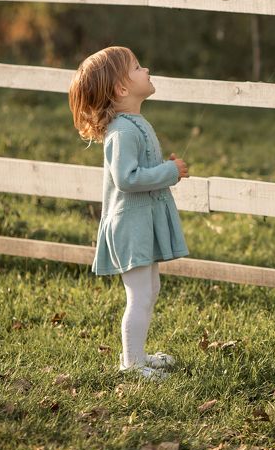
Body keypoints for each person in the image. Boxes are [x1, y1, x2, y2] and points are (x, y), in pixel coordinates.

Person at [69, 45, 189, 381]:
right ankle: (131, 364)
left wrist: (166, 169)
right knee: (138, 294)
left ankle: (138, 354)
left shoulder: (134, 123)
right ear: (122, 89)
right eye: (137, 67)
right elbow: (126, 179)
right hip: (129, 225)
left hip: (141, 223)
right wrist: (169, 172)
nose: (146, 69)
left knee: (150, 289)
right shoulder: (121, 131)